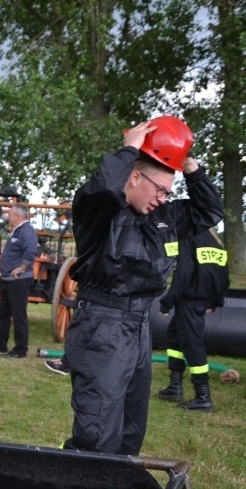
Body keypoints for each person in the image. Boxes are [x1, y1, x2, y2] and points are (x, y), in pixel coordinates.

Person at [61, 116, 223, 456]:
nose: (164, 198)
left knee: (131, 431)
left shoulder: (164, 218)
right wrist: (130, 148)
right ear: (134, 176)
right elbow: (103, 187)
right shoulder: (100, 214)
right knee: (97, 435)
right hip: (101, 328)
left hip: (139, 327)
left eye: (169, 191)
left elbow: (210, 210)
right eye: (159, 189)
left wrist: (186, 161)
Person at [157, 229, 229, 411]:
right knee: (173, 338)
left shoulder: (188, 236)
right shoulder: (215, 241)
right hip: (201, 300)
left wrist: (167, 301)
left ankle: (203, 397)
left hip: (189, 300)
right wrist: (215, 300)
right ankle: (175, 386)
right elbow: (223, 275)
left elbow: (183, 273)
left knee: (192, 345)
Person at [0, 204, 38, 358]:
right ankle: (0, 345)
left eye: (10, 214)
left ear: (17, 216)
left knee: (19, 315)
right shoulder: (17, 230)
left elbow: (31, 251)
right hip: (7, 279)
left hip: (19, 280)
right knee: (2, 313)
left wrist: (21, 268)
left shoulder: (27, 231)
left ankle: (20, 350)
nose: (8, 216)